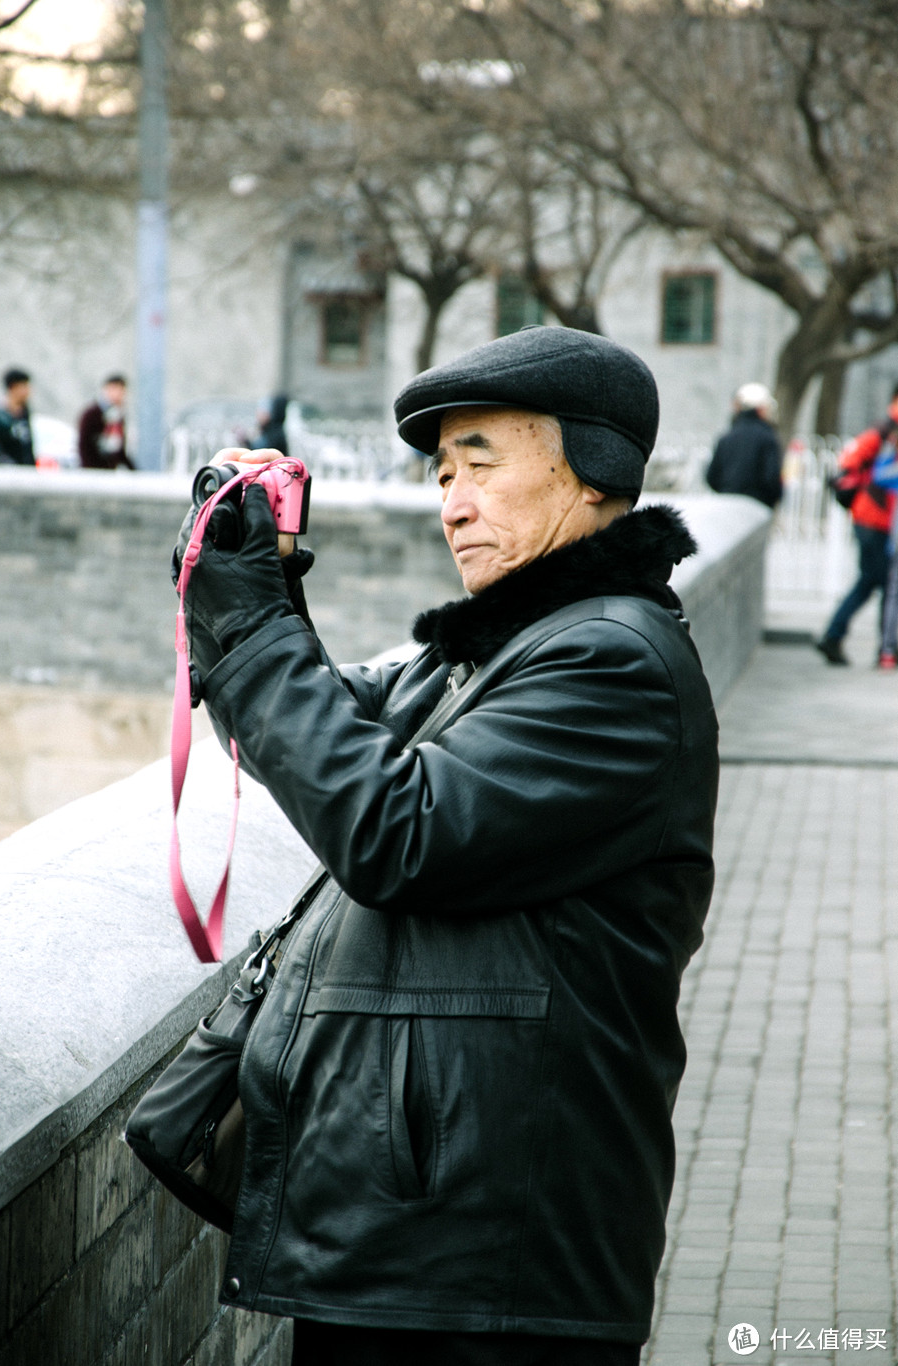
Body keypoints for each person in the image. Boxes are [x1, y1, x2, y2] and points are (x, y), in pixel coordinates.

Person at [175, 325, 720, 1365]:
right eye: (439, 474)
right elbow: (321, 738)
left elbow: (390, 830)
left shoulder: (612, 663)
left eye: (481, 462)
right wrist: (252, 582)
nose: (452, 503)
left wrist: (252, 630)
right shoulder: (501, 647)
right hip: (420, 1237)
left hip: (489, 1265)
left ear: (595, 468)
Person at [815, 386, 898, 666]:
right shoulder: (888, 430)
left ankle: (845, 638)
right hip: (875, 518)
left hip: (870, 518)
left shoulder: (882, 428)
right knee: (878, 581)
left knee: (876, 581)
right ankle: (877, 647)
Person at [706, 381, 783, 508]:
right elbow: (771, 479)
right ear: (761, 409)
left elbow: (712, 477)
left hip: (726, 505)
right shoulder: (768, 438)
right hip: (757, 507)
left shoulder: (726, 437)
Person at [78, 374, 136, 469]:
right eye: (114, 389)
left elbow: (119, 451)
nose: (118, 395)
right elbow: (84, 446)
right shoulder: (92, 415)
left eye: (121, 391)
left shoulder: (118, 417)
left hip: (109, 473)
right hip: (93, 474)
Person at [0, 368, 35, 466]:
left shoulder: (25, 412)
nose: (28, 391)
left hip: (24, 470)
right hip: (4, 471)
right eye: (24, 386)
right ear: (13, 387)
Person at [249, 393, 290, 458]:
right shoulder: (268, 430)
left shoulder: (276, 435)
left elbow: (260, 454)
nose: (258, 415)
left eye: (263, 411)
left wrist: (246, 442)